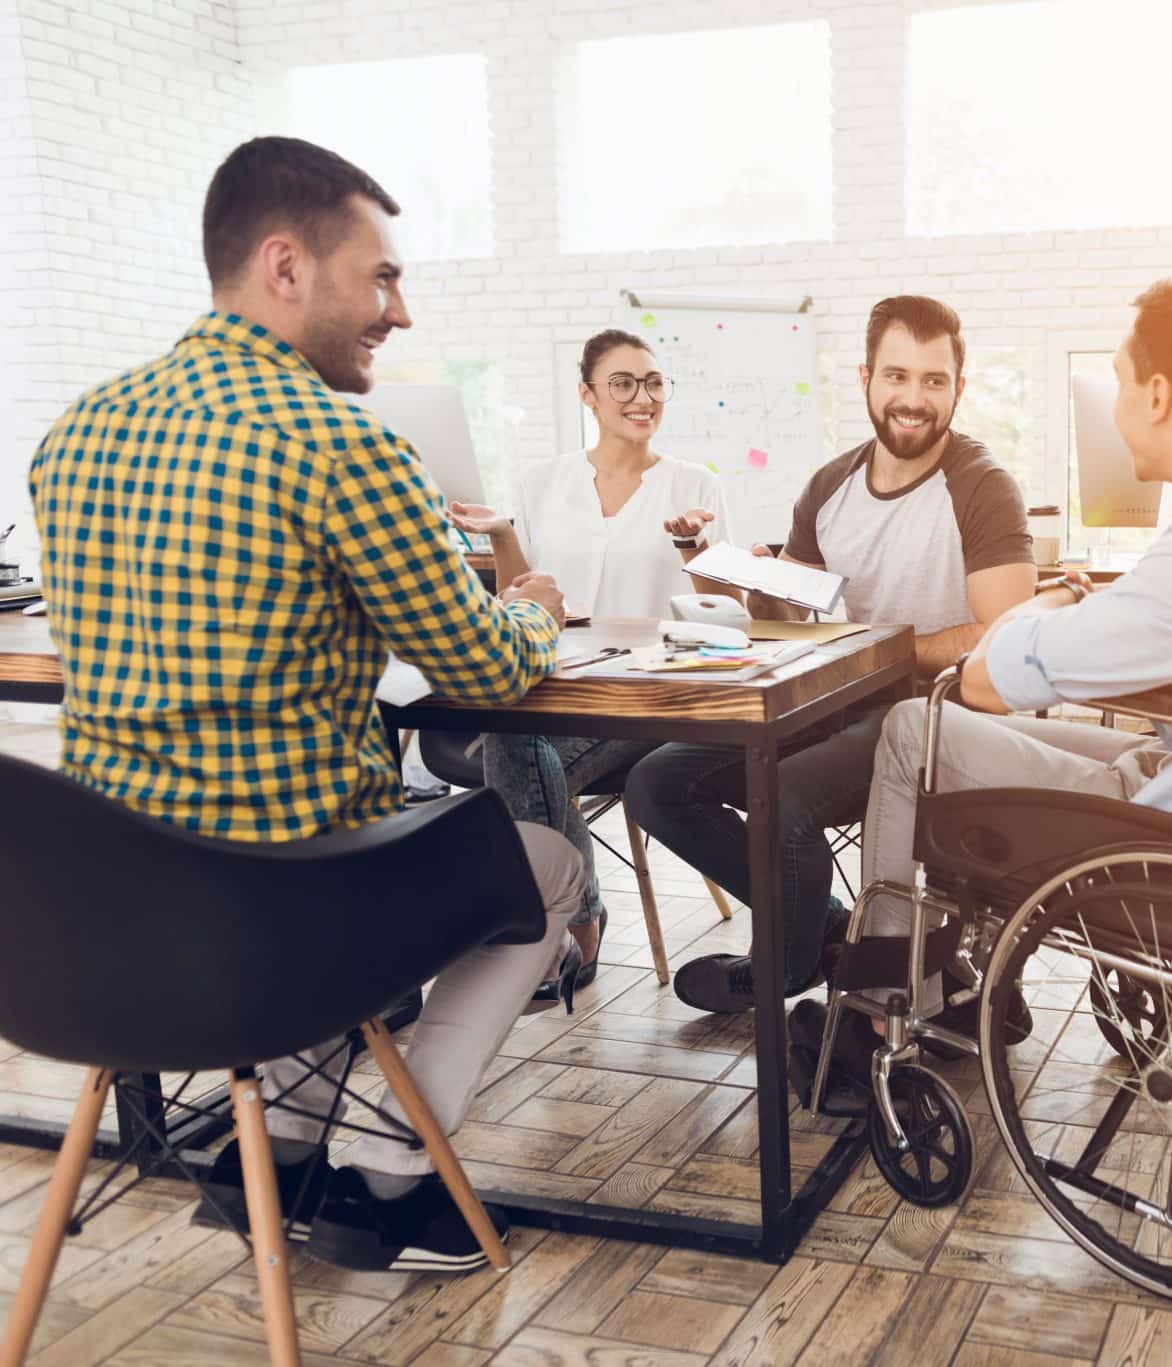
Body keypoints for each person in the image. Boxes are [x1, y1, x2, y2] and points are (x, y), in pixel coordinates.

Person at [26, 135, 582, 1274]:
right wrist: (531, 604)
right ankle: (387, 1172)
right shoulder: (339, 445)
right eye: (381, 277)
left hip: (106, 936)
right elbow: (478, 668)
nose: (400, 311)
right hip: (285, 926)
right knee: (545, 861)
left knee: (291, 842)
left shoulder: (69, 436)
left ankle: (265, 1160)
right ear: (286, 265)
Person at [789, 275, 1172, 1088]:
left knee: (914, 729)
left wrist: (1053, 595)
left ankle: (882, 1007)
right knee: (984, 737)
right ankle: (956, 977)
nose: (1112, 405)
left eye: (1116, 379)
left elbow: (989, 679)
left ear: (1155, 394)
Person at [624, 295, 1035, 1018]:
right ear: (867, 378)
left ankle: (779, 969)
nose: (913, 399)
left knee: (781, 797)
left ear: (958, 390)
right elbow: (790, 624)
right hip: (845, 701)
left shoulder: (980, 485)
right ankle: (817, 931)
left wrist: (878, 647)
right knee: (657, 782)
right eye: (897, 376)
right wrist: (756, 587)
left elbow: (1005, 633)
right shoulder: (829, 487)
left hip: (941, 715)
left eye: (934, 381)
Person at [438, 329, 729, 1010]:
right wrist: (504, 534)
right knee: (514, 737)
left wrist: (694, 545)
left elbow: (726, 613)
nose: (642, 396)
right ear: (587, 396)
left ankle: (565, 928)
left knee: (505, 767)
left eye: (654, 382)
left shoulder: (694, 483)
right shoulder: (545, 481)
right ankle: (580, 914)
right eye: (623, 382)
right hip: (556, 688)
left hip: (650, 700)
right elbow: (522, 597)